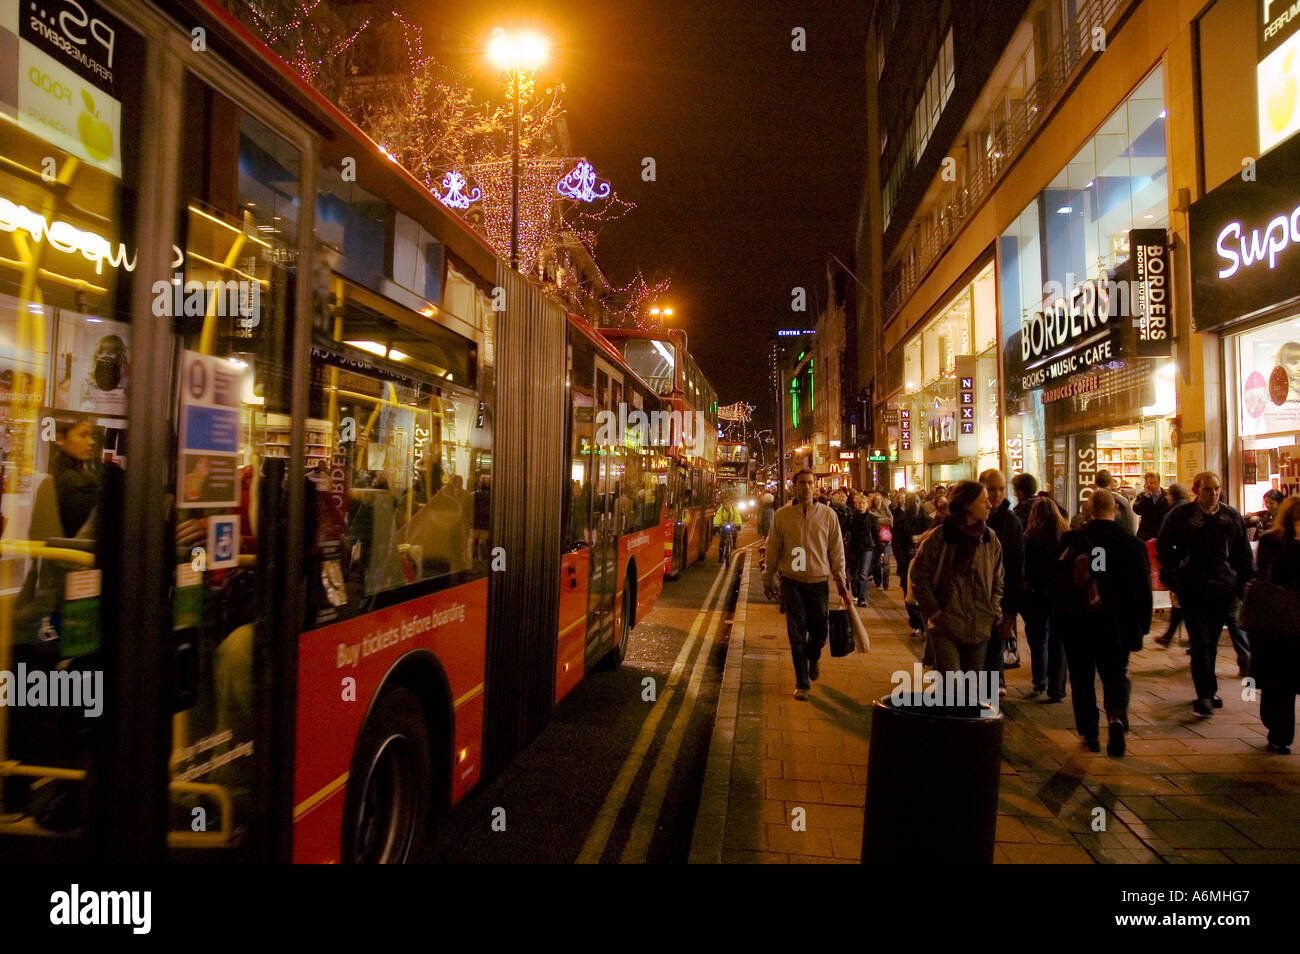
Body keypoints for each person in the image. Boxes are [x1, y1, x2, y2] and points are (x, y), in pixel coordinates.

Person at [1054, 490, 1152, 755]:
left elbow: (1060, 585)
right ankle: (1116, 718)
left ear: (1088, 509)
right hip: (1116, 625)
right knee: (1115, 675)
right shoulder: (1132, 544)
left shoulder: (1073, 540)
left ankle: (1089, 731)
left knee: (1083, 678)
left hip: (1080, 623)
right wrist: (1142, 625)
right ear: (1115, 510)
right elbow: (1143, 589)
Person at [1156, 471, 1254, 717]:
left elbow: (1242, 553)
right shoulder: (1181, 516)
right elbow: (1164, 546)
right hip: (1193, 587)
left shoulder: (1230, 516)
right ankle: (1203, 694)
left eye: (1217, 489)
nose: (1213, 493)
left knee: (1210, 642)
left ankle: (1209, 690)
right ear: (1196, 490)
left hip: (1223, 588)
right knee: (1199, 643)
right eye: (1208, 489)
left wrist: (1242, 583)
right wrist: (1176, 572)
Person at [909, 480, 1003, 701]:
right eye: (984, 500)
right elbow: (919, 577)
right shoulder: (941, 537)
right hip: (946, 624)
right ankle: (946, 730)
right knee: (950, 688)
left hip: (979, 624)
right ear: (968, 505)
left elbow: (998, 579)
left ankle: (965, 733)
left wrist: (993, 609)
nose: (989, 505)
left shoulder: (989, 538)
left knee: (971, 690)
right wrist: (935, 612)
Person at [763, 469, 850, 700]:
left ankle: (813, 656)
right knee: (796, 633)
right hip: (792, 581)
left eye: (810, 483)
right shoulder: (782, 515)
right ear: (795, 486)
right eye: (801, 483)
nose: (806, 487)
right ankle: (802, 683)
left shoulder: (828, 515)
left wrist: (840, 577)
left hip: (819, 581)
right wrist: (768, 576)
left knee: (820, 630)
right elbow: (773, 549)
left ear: (815, 486)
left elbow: (836, 548)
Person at [1253, 495, 1300, 754]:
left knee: (1286, 680)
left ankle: (1280, 733)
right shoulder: (1273, 541)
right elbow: (1268, 576)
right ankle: (1279, 732)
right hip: (1277, 621)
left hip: (1289, 624)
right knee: (1278, 681)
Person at [1021, 496, 1070, 701]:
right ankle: (1057, 688)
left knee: (1038, 638)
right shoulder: (1065, 537)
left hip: (1037, 595)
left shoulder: (1030, 539)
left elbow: (1026, 569)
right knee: (1058, 641)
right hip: (1060, 594)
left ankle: (1040, 681)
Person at [979, 469, 1023, 695]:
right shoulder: (973, 519)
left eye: (1001, 489)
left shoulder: (1010, 521)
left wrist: (1010, 611)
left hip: (999, 596)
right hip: (974, 598)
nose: (996, 494)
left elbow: (1016, 567)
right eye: (991, 488)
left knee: (995, 641)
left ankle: (996, 683)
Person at [1154, 483, 1192, 647]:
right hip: (1193, 565)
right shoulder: (1194, 511)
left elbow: (1162, 542)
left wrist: (1168, 562)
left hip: (1179, 566)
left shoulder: (1172, 514)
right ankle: (1171, 636)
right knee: (1183, 602)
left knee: (1182, 602)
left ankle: (1172, 636)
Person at [893, 493, 932, 636]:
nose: (914, 504)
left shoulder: (927, 521)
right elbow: (896, 545)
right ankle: (915, 622)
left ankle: (924, 623)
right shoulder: (900, 522)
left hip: (924, 564)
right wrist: (903, 562)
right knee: (909, 594)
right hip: (907, 563)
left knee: (923, 593)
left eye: (916, 501)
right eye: (911, 502)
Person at [846, 492, 879, 607]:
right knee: (854, 574)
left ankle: (862, 597)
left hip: (867, 548)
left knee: (863, 574)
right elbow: (846, 531)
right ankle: (855, 592)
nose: (861, 505)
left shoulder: (872, 519)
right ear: (855, 504)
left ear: (867, 504)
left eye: (863, 503)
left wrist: (879, 551)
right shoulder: (851, 517)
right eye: (859, 503)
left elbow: (875, 535)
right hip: (853, 547)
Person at [1094, 470, 1136, 535]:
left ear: (1095, 483)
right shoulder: (1122, 500)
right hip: (1120, 539)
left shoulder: (1092, 501)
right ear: (1111, 482)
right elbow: (1129, 526)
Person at [1133, 472, 1171, 542]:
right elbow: (1137, 510)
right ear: (1146, 484)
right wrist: (1146, 497)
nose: (1152, 485)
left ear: (1159, 482)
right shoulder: (1141, 496)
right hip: (1145, 534)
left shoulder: (1167, 496)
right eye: (1150, 483)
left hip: (1161, 532)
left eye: (1155, 482)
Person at [868, 493, 893, 589]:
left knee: (886, 562)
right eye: (876, 500)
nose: (878, 502)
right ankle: (878, 580)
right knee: (876, 562)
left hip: (886, 539)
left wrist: (878, 520)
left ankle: (886, 582)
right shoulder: (870, 511)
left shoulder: (886, 509)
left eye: (879, 500)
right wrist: (883, 521)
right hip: (875, 540)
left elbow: (890, 521)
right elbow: (873, 523)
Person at [713, 494, 742, 562]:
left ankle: (734, 543)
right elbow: (718, 516)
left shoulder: (734, 509)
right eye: (726, 504)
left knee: (734, 533)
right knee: (722, 540)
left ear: (731, 504)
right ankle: (720, 556)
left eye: (728, 504)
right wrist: (716, 525)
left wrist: (738, 524)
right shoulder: (721, 509)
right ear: (723, 504)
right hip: (723, 524)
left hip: (732, 524)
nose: (727, 505)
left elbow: (737, 516)